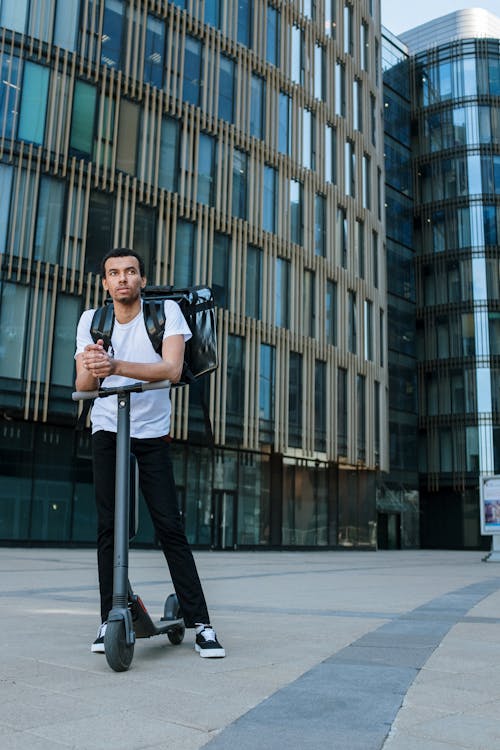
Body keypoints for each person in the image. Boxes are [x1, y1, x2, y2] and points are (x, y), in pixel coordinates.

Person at [74, 248, 225, 658]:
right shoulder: (93, 320)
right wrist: (93, 362)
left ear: (141, 279)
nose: (122, 279)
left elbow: (172, 370)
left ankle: (202, 625)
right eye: (113, 273)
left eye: (130, 272)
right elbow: (85, 386)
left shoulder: (166, 314)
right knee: (110, 526)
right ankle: (110, 618)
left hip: (151, 433)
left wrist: (115, 364)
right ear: (105, 283)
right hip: (107, 427)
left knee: (168, 526)